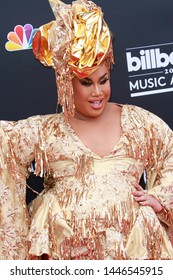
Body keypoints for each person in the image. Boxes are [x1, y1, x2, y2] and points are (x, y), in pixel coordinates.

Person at [0, 0, 173, 260]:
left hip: (132, 257)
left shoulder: (141, 123)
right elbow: (5, 148)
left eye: (103, 81)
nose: (97, 92)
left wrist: (162, 201)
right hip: (66, 257)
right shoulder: (45, 131)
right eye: (86, 82)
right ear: (65, 84)